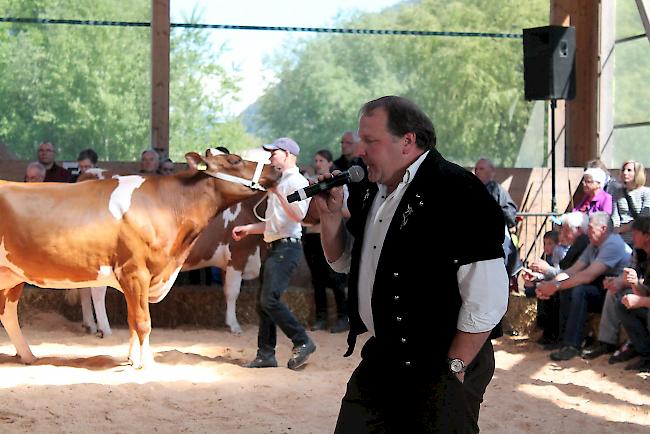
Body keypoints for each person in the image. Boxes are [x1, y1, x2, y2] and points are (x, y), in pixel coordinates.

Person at [314, 96, 508, 433]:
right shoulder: (371, 190)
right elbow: (346, 261)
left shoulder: (458, 191)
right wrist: (330, 218)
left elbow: (487, 298)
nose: (360, 151)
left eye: (371, 141)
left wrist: (455, 366)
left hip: (442, 360)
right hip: (385, 356)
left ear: (408, 141)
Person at [232, 137, 316, 370]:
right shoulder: (281, 182)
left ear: (287, 154)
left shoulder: (296, 181)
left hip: (287, 247)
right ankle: (266, 354)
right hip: (277, 246)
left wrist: (278, 193)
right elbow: (274, 223)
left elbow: (298, 215)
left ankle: (302, 341)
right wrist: (249, 229)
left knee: (269, 300)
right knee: (264, 303)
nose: (270, 157)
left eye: (274, 153)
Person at [536, 212, 632, 361]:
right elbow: (572, 271)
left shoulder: (612, 243)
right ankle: (561, 338)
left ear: (604, 228)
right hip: (605, 288)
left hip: (619, 291)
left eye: (591, 228)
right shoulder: (593, 244)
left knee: (580, 290)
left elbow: (587, 276)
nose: (588, 231)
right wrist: (550, 284)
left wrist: (554, 287)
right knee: (570, 287)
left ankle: (572, 345)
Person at [303, 149, 349, 333]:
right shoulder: (310, 184)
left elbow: (348, 211)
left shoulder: (339, 184)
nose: (318, 163)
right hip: (312, 236)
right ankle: (321, 318)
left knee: (336, 278)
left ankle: (343, 317)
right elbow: (303, 215)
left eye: (321, 160)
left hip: (331, 237)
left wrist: (330, 210)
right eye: (316, 160)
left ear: (330, 163)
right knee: (317, 279)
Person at [615, 216, 650, 372]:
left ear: (647, 236)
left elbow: (645, 299)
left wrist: (640, 301)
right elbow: (647, 292)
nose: (632, 237)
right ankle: (646, 355)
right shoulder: (645, 256)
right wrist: (635, 283)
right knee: (622, 306)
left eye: (635, 233)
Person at [611, 160, 650, 246]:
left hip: (639, 236)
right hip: (619, 237)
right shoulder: (617, 192)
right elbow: (615, 215)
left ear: (637, 173)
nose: (625, 173)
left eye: (629, 170)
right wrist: (616, 231)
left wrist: (623, 229)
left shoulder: (647, 193)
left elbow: (644, 218)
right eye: (623, 170)